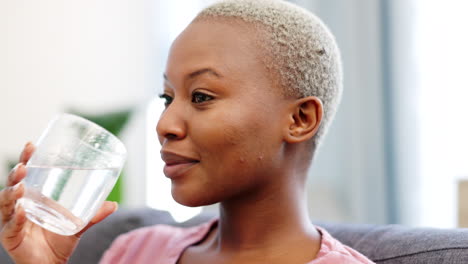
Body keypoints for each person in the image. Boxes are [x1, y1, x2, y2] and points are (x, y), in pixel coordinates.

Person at [0, 0, 374, 263]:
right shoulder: (135, 251)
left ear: (299, 119)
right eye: (167, 99)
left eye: (201, 96)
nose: (164, 125)